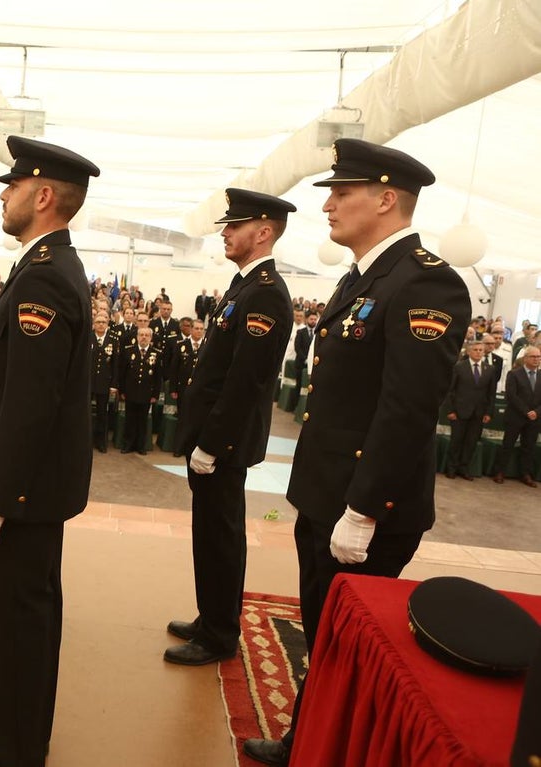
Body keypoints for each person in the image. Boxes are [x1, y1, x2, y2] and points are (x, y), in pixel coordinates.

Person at [243, 139, 469, 766]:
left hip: (367, 506)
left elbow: (408, 410)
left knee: (349, 643)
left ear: (387, 198)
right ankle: (313, 741)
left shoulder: (427, 283)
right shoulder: (366, 276)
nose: (329, 206)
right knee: (325, 637)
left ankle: (325, 749)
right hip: (326, 494)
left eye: (343, 193)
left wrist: (365, 509)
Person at [0, 135, 99, 767]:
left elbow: (29, 404)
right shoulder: (43, 264)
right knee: (21, 612)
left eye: (12, 187)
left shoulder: (44, 277)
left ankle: (20, 749)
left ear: (43, 197)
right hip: (35, 486)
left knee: (21, 617)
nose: (4, 197)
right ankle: (14, 723)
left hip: (26, 491)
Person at [165, 189, 294, 667]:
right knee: (209, 534)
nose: (224, 232)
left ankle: (219, 635)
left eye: (234, 226)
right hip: (212, 438)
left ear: (262, 232)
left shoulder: (264, 293)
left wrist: (213, 444)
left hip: (224, 444)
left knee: (221, 537)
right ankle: (209, 616)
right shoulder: (245, 286)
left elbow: (245, 381)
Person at [443, 339, 498, 480]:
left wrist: (488, 412)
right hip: (459, 411)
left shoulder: (490, 369)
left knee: (471, 443)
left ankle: (464, 468)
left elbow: (491, 393)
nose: (479, 352)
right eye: (476, 350)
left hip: (479, 413)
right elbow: (450, 391)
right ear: (469, 351)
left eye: (481, 350)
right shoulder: (459, 367)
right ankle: (451, 468)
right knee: (456, 441)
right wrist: (450, 410)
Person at [491, 346, 541, 487]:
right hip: (516, 416)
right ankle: (500, 472)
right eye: (533, 357)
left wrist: (536, 412)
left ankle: (525, 474)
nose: (537, 359)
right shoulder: (514, 374)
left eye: (539, 357)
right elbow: (512, 396)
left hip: (535, 418)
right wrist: (526, 411)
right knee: (508, 445)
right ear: (525, 358)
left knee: (529, 447)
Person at [117, 325, 161, 455]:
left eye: (147, 335)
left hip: (146, 393)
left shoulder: (156, 353)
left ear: (151, 338)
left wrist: (155, 394)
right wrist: (122, 391)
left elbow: (158, 376)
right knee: (130, 419)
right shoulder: (128, 351)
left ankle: (140, 446)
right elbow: (122, 373)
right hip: (130, 392)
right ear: (137, 337)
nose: (144, 337)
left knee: (143, 421)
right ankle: (128, 445)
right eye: (141, 335)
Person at [90, 312, 119, 453]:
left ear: (107, 324)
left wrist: (114, 384)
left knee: (102, 414)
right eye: (98, 322)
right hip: (88, 383)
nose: (101, 324)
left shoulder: (113, 340)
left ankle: (101, 442)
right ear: (94, 324)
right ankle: (86, 441)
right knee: (85, 413)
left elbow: (115, 364)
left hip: (104, 383)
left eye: (103, 322)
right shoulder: (87, 337)